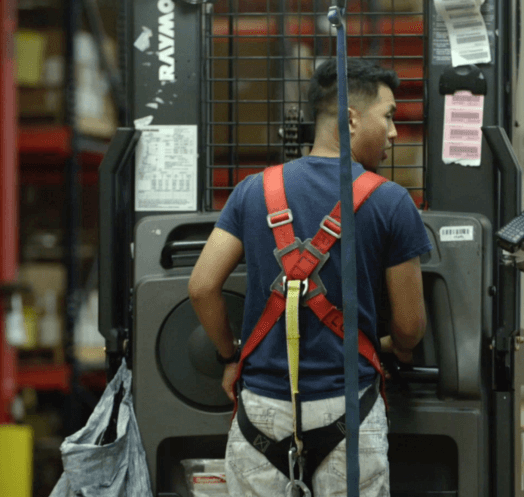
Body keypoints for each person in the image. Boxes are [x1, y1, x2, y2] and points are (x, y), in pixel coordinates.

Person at [188, 58, 432, 496]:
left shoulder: (253, 190)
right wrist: (398, 347)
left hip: (261, 411)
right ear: (352, 119)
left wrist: (230, 358)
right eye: (389, 116)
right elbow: (410, 326)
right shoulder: (393, 203)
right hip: (349, 410)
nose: (395, 132)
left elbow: (202, 286)